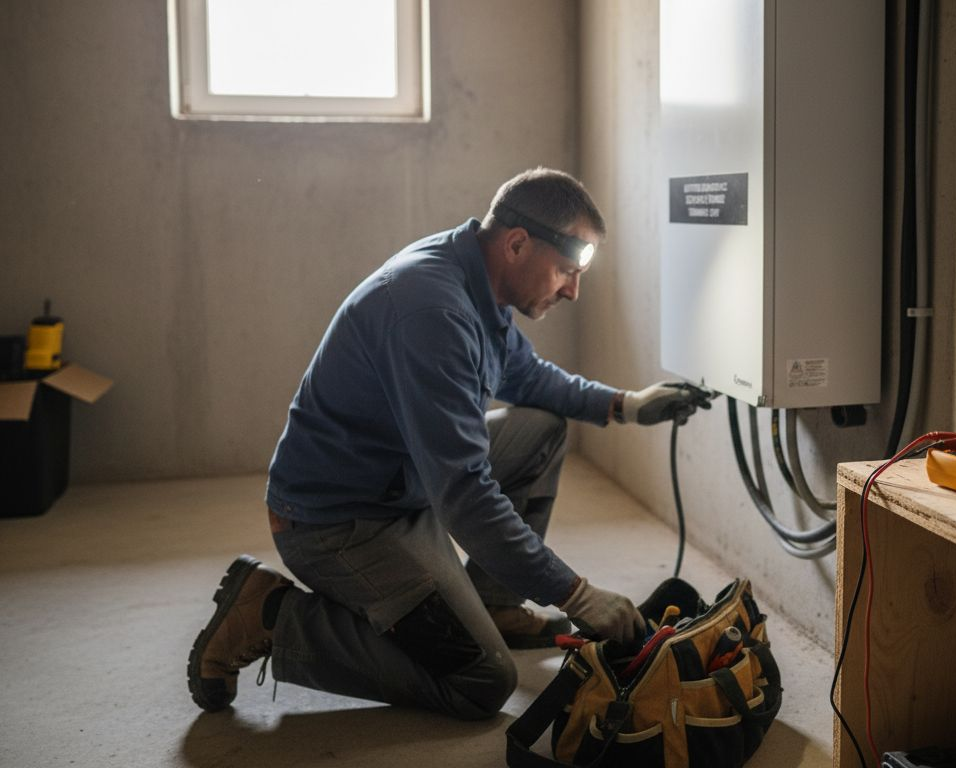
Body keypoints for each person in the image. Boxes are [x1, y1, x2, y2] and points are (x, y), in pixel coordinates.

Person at [186, 167, 711, 718]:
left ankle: (494, 603)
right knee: (481, 680)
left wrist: (624, 405)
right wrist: (574, 595)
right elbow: (465, 496)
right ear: (516, 244)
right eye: (565, 270)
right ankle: (269, 613)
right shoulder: (431, 310)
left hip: (402, 488)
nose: (573, 290)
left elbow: (528, 379)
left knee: (539, 428)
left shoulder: (476, 278)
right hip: (338, 524)